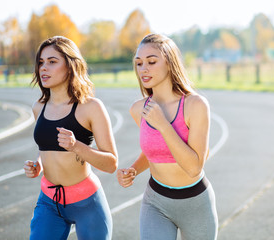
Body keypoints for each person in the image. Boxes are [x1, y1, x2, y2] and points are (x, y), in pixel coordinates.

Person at [116, 33, 218, 240]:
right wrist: (134, 169)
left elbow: (194, 167)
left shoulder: (195, 105)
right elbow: (156, 151)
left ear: (170, 64)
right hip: (156, 202)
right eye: (139, 63)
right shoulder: (138, 109)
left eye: (151, 61)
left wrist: (162, 124)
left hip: (196, 203)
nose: (143, 68)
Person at [23, 36, 118, 240]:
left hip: (87, 203)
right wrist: (38, 163)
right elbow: (47, 147)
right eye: (41, 62)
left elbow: (111, 164)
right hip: (49, 201)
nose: (44, 68)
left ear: (70, 66)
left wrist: (77, 147)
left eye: (52, 61)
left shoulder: (91, 107)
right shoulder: (38, 107)